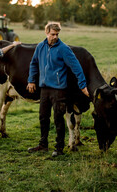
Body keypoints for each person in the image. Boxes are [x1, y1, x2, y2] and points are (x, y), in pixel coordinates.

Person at [26, 22, 89, 157]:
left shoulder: (64, 49)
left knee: (58, 119)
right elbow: (34, 64)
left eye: (57, 34)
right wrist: (31, 80)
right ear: (46, 33)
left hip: (59, 90)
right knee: (43, 117)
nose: (55, 37)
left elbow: (76, 67)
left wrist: (83, 85)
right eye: (52, 34)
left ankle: (59, 148)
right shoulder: (40, 47)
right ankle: (43, 145)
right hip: (44, 89)